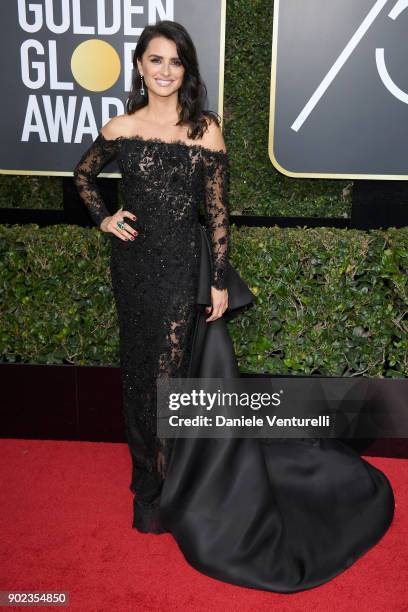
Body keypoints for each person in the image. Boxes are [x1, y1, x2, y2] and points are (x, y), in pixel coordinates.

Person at [73, 20, 395, 594]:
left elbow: (219, 213)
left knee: (170, 377)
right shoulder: (120, 126)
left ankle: (168, 495)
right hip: (133, 271)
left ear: (186, 70)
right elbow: (83, 176)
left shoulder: (205, 130)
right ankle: (146, 480)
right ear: (141, 66)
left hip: (179, 271)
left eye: (175, 62)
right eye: (155, 60)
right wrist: (104, 216)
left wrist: (217, 280)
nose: (165, 71)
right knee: (137, 376)